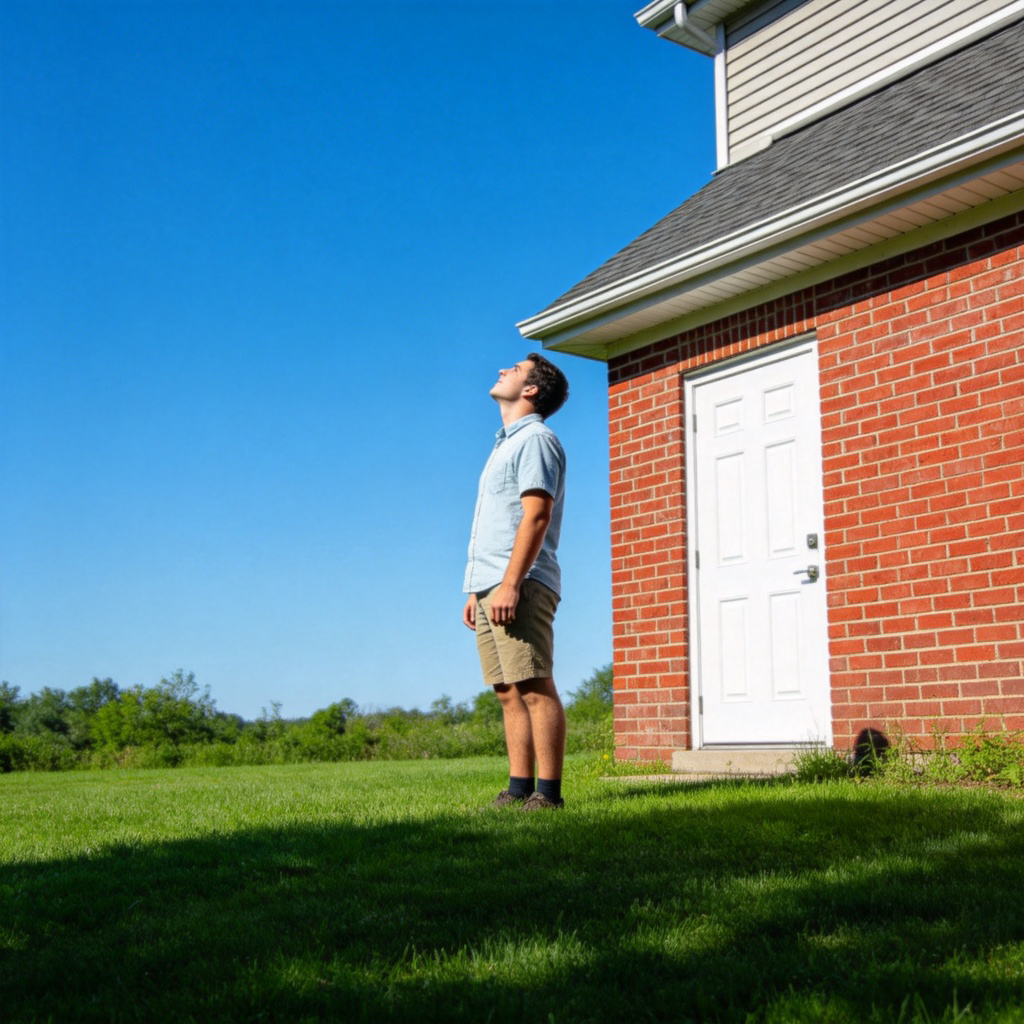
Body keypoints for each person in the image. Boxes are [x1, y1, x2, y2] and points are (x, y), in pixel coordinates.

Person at [463, 353, 570, 810]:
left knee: (533, 684)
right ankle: (518, 787)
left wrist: (510, 583)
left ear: (531, 390)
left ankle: (548, 795)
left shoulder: (537, 440)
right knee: (507, 690)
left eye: (516, 370)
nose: (503, 370)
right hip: (490, 581)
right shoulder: (504, 445)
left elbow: (536, 515)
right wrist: (476, 588)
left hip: (520, 581)